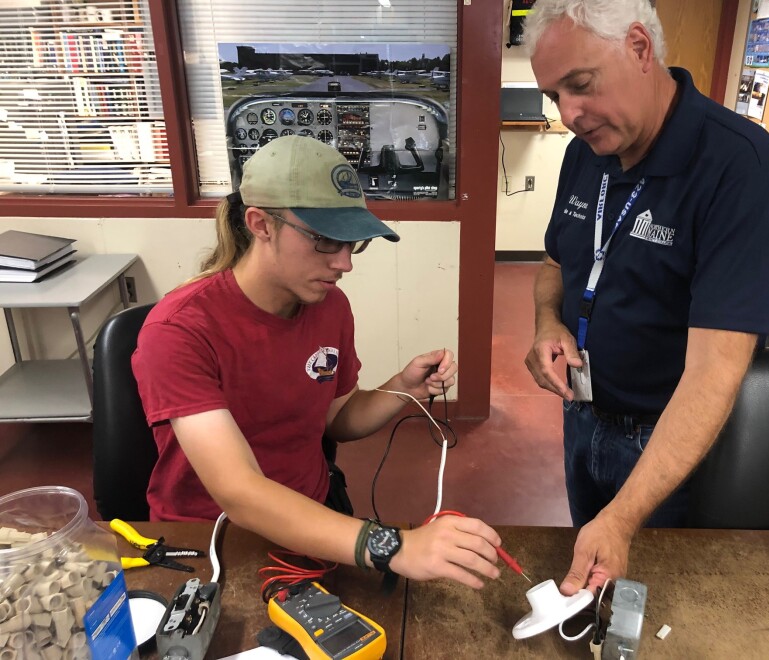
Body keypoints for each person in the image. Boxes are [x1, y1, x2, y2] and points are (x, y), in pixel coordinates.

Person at [132, 135, 503, 589]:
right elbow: (239, 492)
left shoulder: (329, 306)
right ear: (260, 224)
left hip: (312, 521)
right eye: (325, 241)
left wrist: (404, 387)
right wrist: (396, 547)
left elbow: (336, 418)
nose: (344, 263)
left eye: (354, 244)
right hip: (213, 539)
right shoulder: (179, 330)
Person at [521, 0, 769, 595]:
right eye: (553, 97)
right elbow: (555, 263)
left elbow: (714, 373)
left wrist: (622, 517)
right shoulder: (584, 154)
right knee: (594, 588)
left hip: (667, 448)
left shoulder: (740, 167)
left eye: (580, 85)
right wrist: (548, 323)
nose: (569, 114)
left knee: (660, 607)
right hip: (582, 417)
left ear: (640, 49)